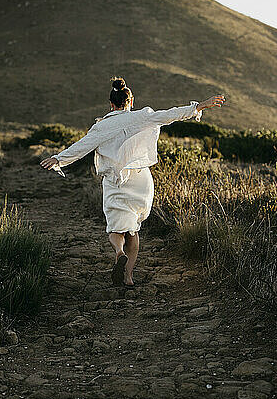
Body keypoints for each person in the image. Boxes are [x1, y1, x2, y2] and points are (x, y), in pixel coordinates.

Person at [40, 77, 225, 287]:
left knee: (116, 227)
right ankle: (128, 277)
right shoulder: (143, 116)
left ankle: (119, 252)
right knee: (133, 229)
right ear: (131, 101)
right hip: (140, 180)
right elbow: (170, 115)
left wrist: (58, 159)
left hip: (115, 181)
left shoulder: (102, 127)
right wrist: (199, 106)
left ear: (111, 104)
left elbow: (81, 146)